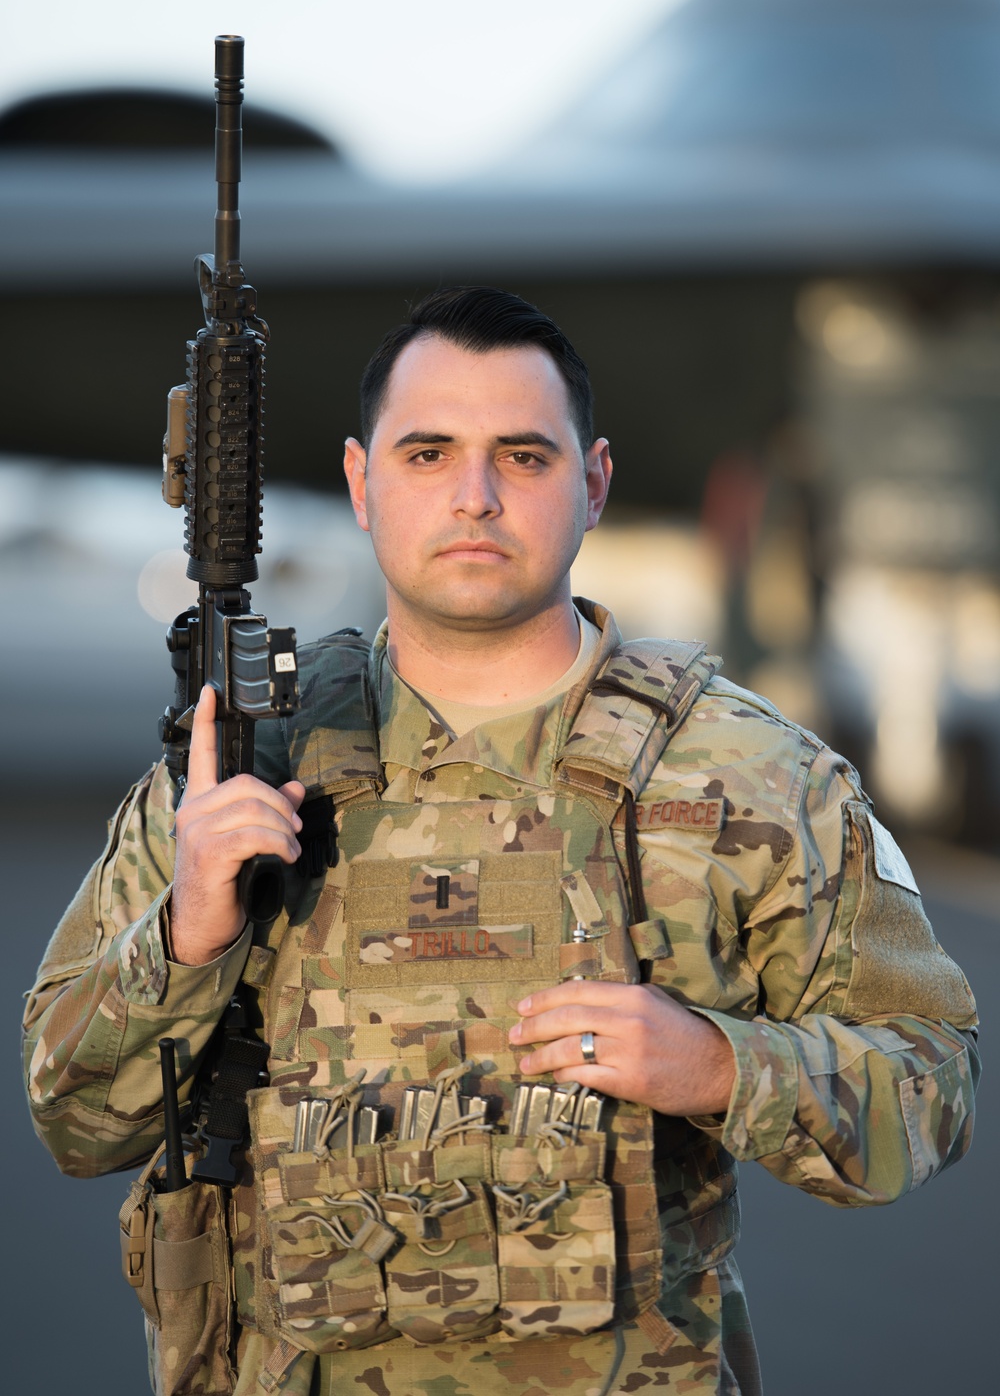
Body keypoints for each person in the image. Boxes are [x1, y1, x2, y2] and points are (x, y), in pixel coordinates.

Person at [24, 287, 979, 1396]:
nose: (473, 496)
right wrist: (187, 938)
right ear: (359, 481)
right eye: (427, 453)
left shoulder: (753, 777)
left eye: (522, 457)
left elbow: (932, 1085)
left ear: (594, 481)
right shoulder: (235, 766)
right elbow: (73, 1122)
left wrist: (719, 1063)